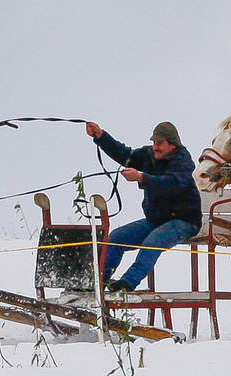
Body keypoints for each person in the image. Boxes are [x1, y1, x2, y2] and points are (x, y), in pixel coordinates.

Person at [86, 120, 202, 293]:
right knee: (116, 237)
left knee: (152, 242)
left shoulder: (183, 162)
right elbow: (125, 155)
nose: (155, 147)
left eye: (160, 143)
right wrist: (101, 136)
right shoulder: (149, 155)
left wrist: (141, 178)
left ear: (172, 144)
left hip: (184, 222)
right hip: (156, 220)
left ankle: (127, 284)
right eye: (154, 142)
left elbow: (172, 184)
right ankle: (97, 282)